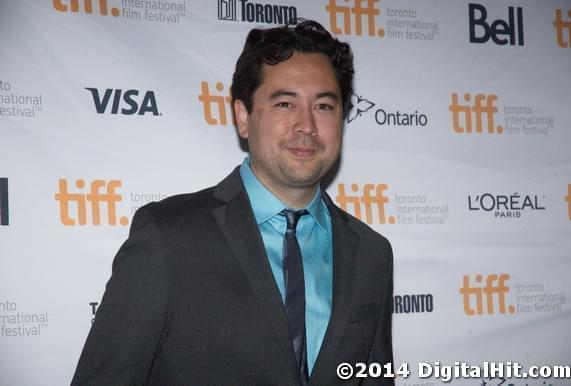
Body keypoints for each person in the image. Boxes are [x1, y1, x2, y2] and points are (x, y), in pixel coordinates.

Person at [71, 19, 394, 386]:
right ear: (243, 117)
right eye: (285, 103)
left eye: (323, 106)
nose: (306, 125)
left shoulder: (372, 254)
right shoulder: (169, 237)